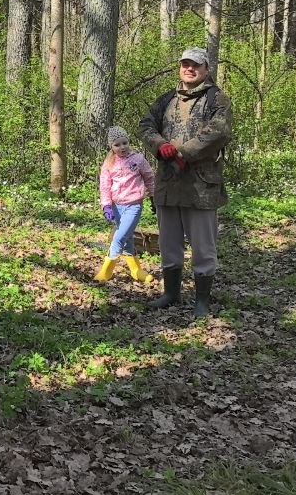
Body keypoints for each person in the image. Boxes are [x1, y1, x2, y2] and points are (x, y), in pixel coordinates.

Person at [138, 47, 232, 318]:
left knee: (203, 246)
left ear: (206, 69)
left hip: (201, 185)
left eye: (195, 65)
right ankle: (171, 293)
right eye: (185, 64)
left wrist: (184, 153)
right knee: (169, 242)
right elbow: (146, 125)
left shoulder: (216, 98)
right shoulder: (166, 99)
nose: (189, 69)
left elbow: (219, 131)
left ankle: (201, 300)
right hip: (168, 183)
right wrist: (160, 145)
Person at [96, 125, 156, 284]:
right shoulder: (109, 163)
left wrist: (153, 197)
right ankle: (136, 270)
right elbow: (105, 185)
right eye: (117, 144)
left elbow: (149, 178)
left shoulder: (138, 159)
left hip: (133, 205)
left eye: (124, 143)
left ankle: (106, 271)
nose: (122, 147)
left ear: (129, 142)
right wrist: (106, 205)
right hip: (116, 206)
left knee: (119, 237)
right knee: (127, 238)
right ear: (111, 146)